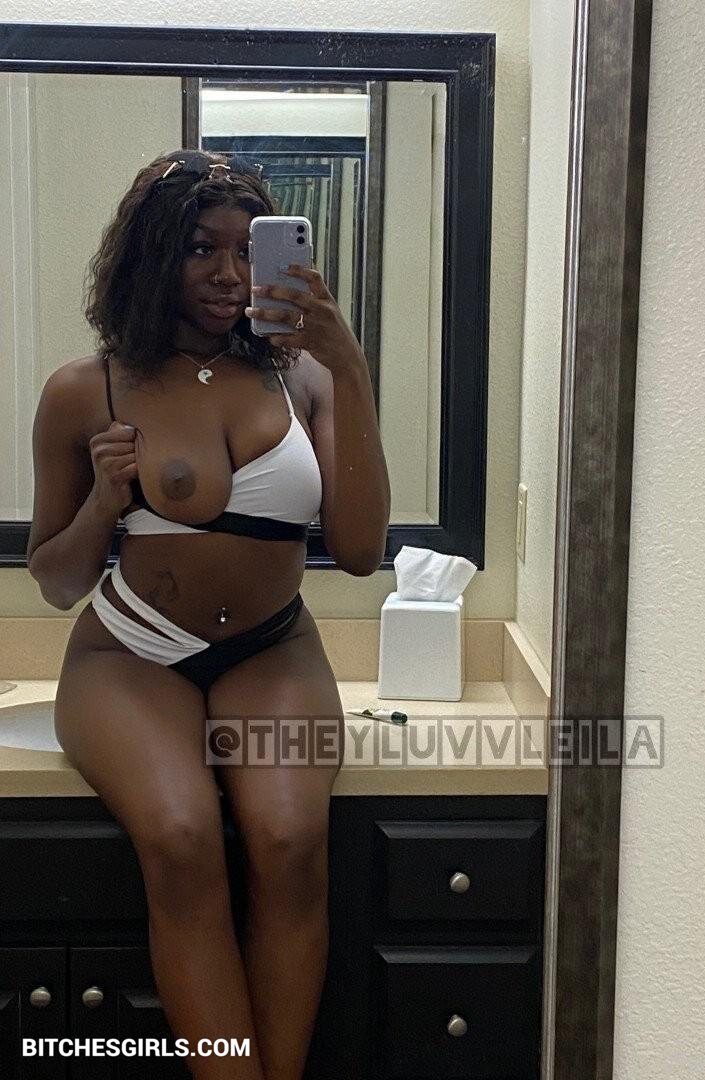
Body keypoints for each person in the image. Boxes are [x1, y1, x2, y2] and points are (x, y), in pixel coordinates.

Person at [26, 149, 390, 1080]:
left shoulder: (305, 377)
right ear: (152, 256)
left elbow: (358, 551)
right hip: (129, 656)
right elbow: (56, 581)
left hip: (272, 651)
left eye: (244, 250)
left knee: (291, 843)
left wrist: (348, 363)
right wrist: (104, 506)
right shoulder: (86, 388)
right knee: (183, 840)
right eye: (200, 249)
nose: (229, 274)